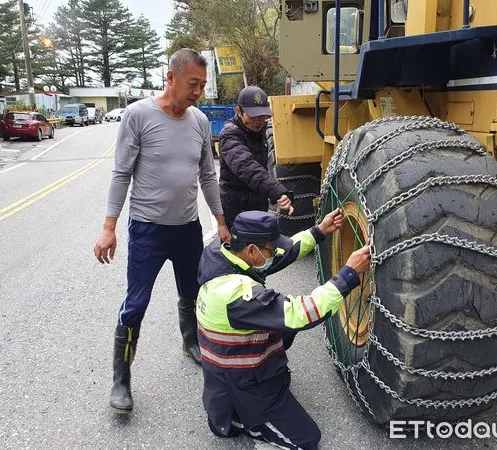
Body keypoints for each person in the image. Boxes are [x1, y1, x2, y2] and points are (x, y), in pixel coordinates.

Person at [93, 48, 232, 414]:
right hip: (148, 230)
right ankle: (121, 380)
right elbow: (121, 173)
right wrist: (109, 227)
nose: (198, 92)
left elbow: (206, 175)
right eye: (192, 84)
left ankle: (190, 343)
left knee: (192, 293)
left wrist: (219, 220)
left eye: (202, 85)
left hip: (188, 228)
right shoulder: (139, 115)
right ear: (170, 78)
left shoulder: (200, 121)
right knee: (135, 304)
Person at [196, 209, 370, 449]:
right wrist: (348, 275)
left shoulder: (222, 254)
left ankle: (235, 409)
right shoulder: (236, 295)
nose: (274, 253)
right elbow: (301, 313)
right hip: (244, 384)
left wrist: (319, 231)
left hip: (228, 366)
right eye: (269, 248)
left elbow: (282, 254)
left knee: (284, 326)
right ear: (251, 250)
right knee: (307, 439)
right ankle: (251, 423)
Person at [218, 85, 293, 229]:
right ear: (238, 111)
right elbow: (248, 167)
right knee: (237, 250)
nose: (258, 121)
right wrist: (276, 191)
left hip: (258, 205)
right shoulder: (229, 135)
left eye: (262, 116)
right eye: (253, 116)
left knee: (261, 249)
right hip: (236, 211)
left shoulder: (262, 129)